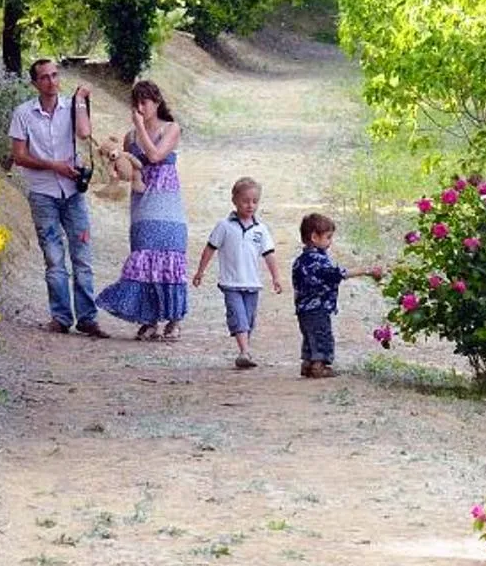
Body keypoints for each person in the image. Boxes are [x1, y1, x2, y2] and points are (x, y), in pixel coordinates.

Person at [7, 57, 106, 335]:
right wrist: (55, 166)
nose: (52, 82)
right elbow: (19, 156)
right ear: (35, 83)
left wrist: (81, 100)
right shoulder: (23, 114)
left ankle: (87, 318)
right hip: (42, 193)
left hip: (73, 192)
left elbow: (84, 133)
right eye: (45, 77)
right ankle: (61, 318)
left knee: (82, 256)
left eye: (55, 75)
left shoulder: (70, 107)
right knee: (53, 258)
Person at [94, 80, 189, 340]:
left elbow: (156, 155)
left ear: (156, 102)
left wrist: (139, 126)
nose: (139, 107)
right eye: (136, 103)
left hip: (166, 202)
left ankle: (174, 319)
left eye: (144, 102)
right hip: (141, 204)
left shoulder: (172, 128)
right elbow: (129, 167)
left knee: (170, 256)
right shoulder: (129, 136)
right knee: (143, 258)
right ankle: (149, 319)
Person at [190, 176, 278, 370]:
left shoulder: (261, 230)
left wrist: (275, 277)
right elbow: (210, 249)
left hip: (252, 283)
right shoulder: (224, 226)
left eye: (255, 201)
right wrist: (200, 271)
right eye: (245, 201)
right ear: (235, 201)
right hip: (231, 282)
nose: (250, 205)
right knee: (238, 317)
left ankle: (245, 348)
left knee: (248, 318)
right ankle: (244, 352)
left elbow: (269, 254)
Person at [290, 213, 384, 379]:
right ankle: (320, 366)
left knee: (309, 335)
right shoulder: (319, 261)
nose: (330, 241)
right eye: (328, 237)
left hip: (302, 308)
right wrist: (366, 271)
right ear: (314, 237)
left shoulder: (299, 261)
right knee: (322, 335)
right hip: (318, 307)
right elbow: (339, 274)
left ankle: (307, 363)